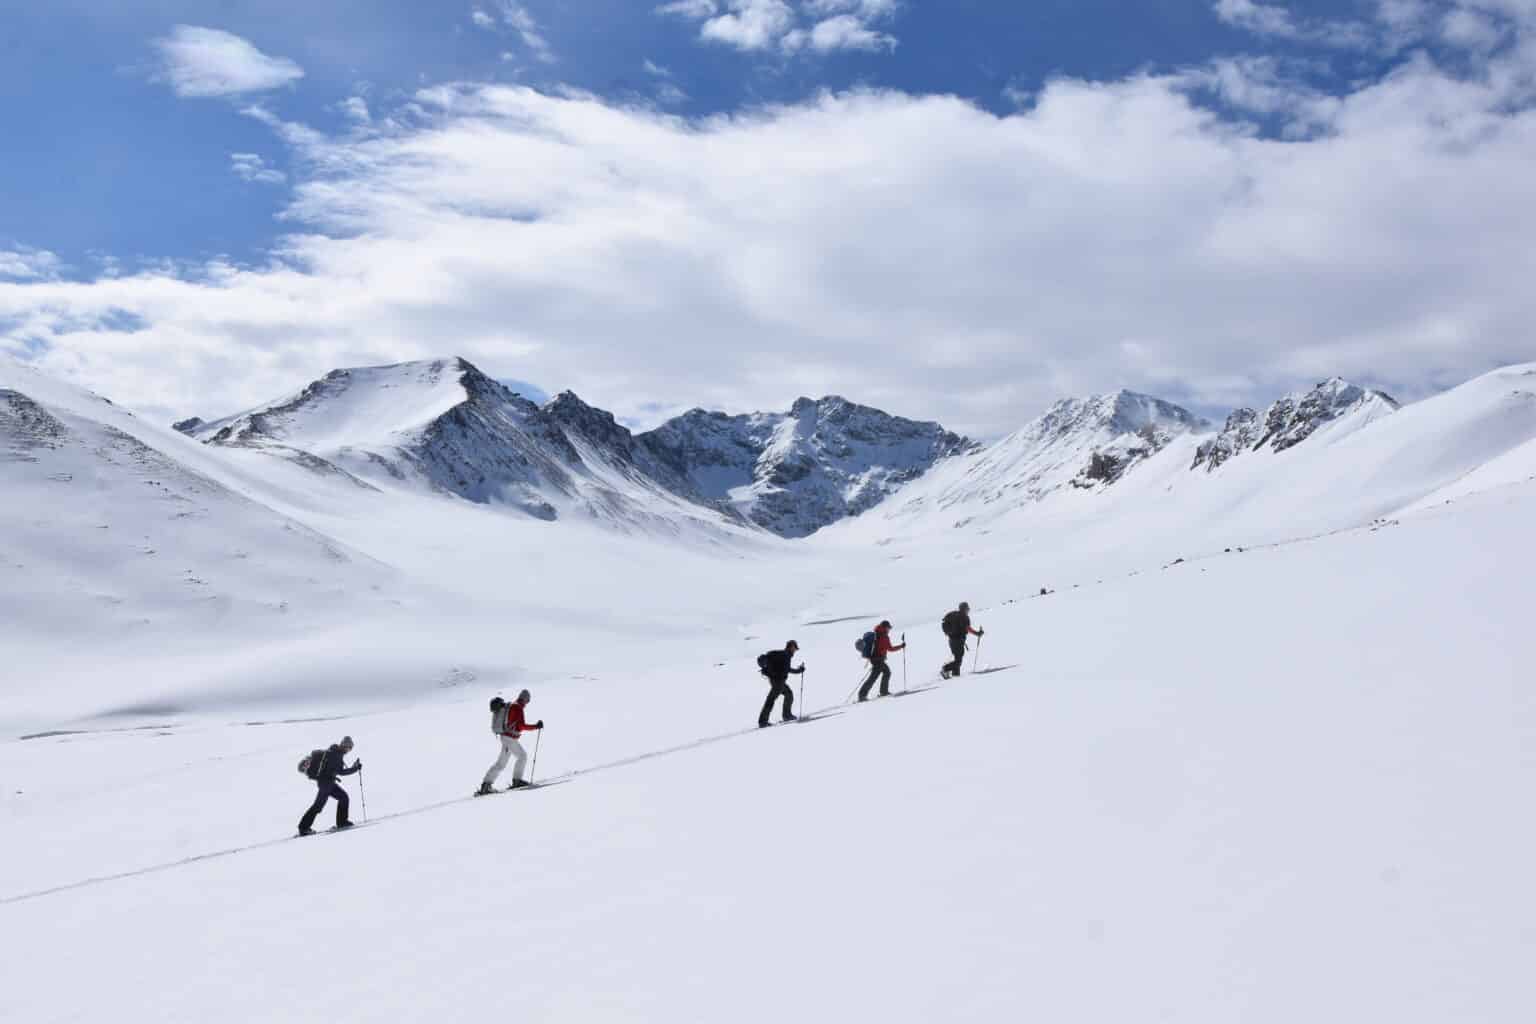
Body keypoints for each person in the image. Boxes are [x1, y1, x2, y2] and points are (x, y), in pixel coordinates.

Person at [479, 690, 544, 794]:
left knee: (501, 763)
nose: (528, 702)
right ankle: (517, 780)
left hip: (506, 737)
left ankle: (486, 785)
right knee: (522, 756)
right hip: (509, 738)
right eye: (528, 700)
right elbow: (521, 726)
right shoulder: (517, 707)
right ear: (525, 699)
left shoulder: (513, 706)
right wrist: (536, 726)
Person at [298, 736, 361, 836]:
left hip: (328, 783)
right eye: (349, 747)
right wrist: (355, 769)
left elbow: (335, 770)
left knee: (343, 797)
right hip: (326, 784)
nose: (349, 750)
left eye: (351, 748)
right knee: (318, 806)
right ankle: (304, 828)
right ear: (345, 746)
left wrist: (353, 767)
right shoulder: (336, 755)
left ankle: (342, 822)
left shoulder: (335, 752)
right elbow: (341, 772)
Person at [758, 640, 805, 728]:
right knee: (771, 700)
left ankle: (785, 715)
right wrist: (799, 670)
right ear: (791, 647)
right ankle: (764, 721)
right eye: (795, 648)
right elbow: (788, 669)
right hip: (778, 682)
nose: (795, 650)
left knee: (788, 694)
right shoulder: (786, 655)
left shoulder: (783, 654)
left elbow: (786, 669)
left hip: (775, 680)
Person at [858, 620, 906, 701]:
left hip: (875, 659)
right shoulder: (883, 637)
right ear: (885, 628)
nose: (889, 630)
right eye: (888, 628)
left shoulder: (876, 633)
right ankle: (863, 695)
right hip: (878, 660)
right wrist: (901, 646)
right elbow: (890, 649)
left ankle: (881, 691)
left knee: (885, 673)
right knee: (874, 677)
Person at [941, 602, 984, 678]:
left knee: (957, 658)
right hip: (958, 641)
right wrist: (977, 633)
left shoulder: (955, 615)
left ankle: (956, 676)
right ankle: (945, 669)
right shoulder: (964, 617)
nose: (968, 610)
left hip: (951, 640)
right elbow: (967, 628)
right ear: (964, 609)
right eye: (967, 609)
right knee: (958, 661)